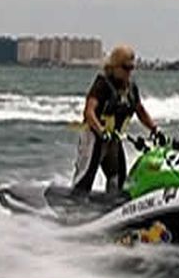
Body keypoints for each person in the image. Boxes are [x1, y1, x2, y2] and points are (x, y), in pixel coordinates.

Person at [70, 45, 164, 198]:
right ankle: (73, 206)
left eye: (132, 68)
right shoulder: (102, 84)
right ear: (114, 67)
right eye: (126, 68)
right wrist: (100, 131)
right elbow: (89, 112)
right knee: (85, 178)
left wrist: (155, 129)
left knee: (118, 179)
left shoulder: (131, 88)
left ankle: (111, 208)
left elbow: (140, 110)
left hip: (113, 138)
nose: (129, 72)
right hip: (93, 137)